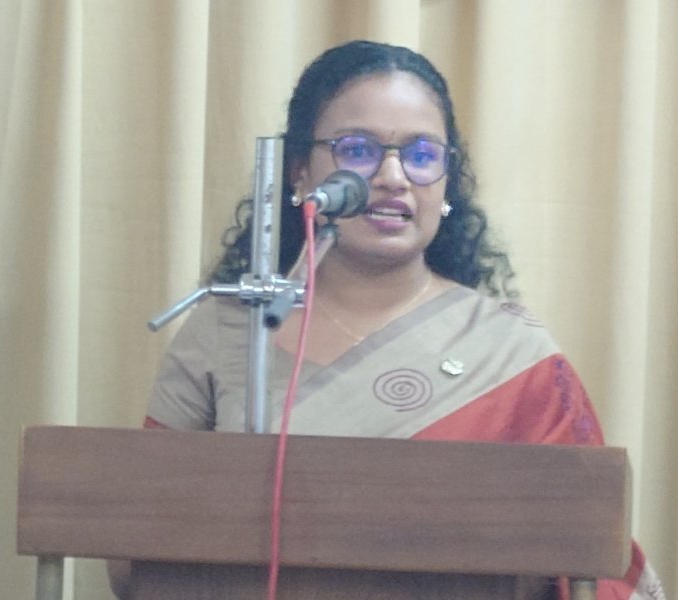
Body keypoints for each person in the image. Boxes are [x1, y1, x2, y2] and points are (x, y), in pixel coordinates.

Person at [112, 41, 665, 600]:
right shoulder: (228, 327)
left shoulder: (511, 352)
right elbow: (133, 545)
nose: (393, 176)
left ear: (446, 180)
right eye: (358, 149)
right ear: (300, 173)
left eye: (422, 154)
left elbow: (594, 556)